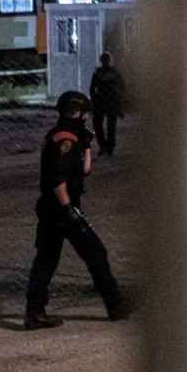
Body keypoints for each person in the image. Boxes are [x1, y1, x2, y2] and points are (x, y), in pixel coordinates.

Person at [24, 90, 129, 328]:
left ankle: (34, 312)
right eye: (83, 113)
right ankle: (116, 306)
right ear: (78, 112)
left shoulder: (69, 136)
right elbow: (57, 179)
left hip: (55, 209)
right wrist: (69, 209)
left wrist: (88, 146)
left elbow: (85, 171)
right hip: (62, 209)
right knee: (95, 253)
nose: (85, 117)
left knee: (46, 260)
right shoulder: (66, 140)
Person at [88, 52, 124, 156]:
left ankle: (104, 146)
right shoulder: (115, 73)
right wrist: (119, 101)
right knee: (111, 126)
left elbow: (92, 89)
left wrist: (94, 100)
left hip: (101, 101)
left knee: (99, 125)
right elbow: (122, 87)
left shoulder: (98, 72)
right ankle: (109, 147)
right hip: (111, 101)